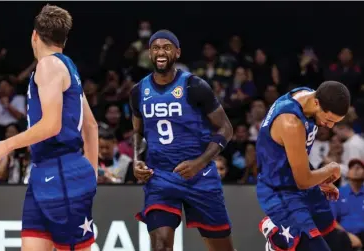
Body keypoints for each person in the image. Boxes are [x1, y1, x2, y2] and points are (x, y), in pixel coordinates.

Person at [0, 5, 99, 251]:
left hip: (61, 171)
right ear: (64, 40)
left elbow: (51, 125)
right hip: (47, 173)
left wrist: (7, 144)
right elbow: (90, 125)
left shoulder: (48, 66)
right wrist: (91, 173)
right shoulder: (68, 65)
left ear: (34, 35)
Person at [129, 30, 235, 251]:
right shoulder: (138, 91)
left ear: (177, 52)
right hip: (160, 177)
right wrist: (137, 160)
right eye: (156, 48)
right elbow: (138, 133)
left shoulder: (194, 86)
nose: (160, 52)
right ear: (149, 53)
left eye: (166, 47)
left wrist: (200, 162)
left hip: (200, 177)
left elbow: (226, 128)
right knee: (160, 245)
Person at [256, 81, 351, 251]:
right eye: (329, 120)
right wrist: (331, 168)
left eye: (336, 122)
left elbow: (297, 158)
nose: (330, 126)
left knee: (338, 241)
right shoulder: (291, 123)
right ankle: (276, 236)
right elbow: (303, 180)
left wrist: (319, 180)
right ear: (316, 103)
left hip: (300, 183)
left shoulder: (309, 96)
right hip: (280, 191)